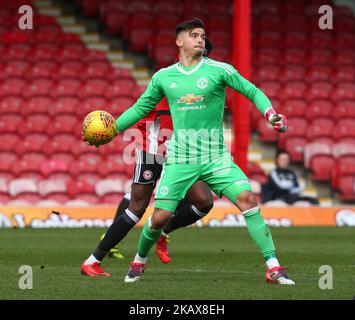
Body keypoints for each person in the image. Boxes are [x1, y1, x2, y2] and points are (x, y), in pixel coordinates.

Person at [85, 18, 294, 285]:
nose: (200, 39)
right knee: (158, 217)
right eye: (194, 35)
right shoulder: (164, 77)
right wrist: (113, 130)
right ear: (179, 41)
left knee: (247, 200)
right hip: (180, 158)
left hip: (215, 156)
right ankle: (139, 260)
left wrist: (271, 114)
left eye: (203, 35)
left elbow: (251, 90)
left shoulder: (220, 70)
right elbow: (140, 109)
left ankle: (273, 267)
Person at [80, 39, 215, 277]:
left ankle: (163, 231)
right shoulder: (169, 79)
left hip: (181, 152)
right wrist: (110, 132)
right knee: (137, 207)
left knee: (204, 201)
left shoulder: (207, 84)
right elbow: (139, 109)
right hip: (153, 147)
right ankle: (93, 260)